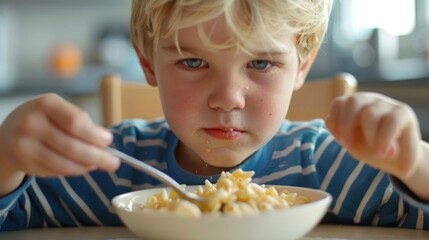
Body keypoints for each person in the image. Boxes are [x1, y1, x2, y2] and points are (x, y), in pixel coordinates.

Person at [1, 0, 429, 231]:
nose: (228, 99)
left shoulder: (325, 165)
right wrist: (7, 157)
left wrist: (413, 162)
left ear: (302, 66)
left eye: (260, 64)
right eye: (193, 62)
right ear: (149, 64)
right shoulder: (113, 169)